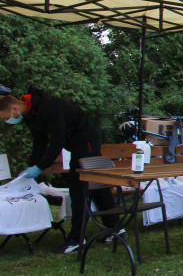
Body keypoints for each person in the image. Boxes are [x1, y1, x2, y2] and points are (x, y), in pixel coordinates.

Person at [0, 88, 117, 254]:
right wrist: (32, 167)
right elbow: (40, 142)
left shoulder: (48, 106)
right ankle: (114, 228)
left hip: (85, 139)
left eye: (6, 118)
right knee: (95, 182)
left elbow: (57, 141)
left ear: (14, 109)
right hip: (74, 142)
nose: (7, 121)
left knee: (79, 187)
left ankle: (77, 239)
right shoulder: (30, 115)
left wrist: (40, 167)